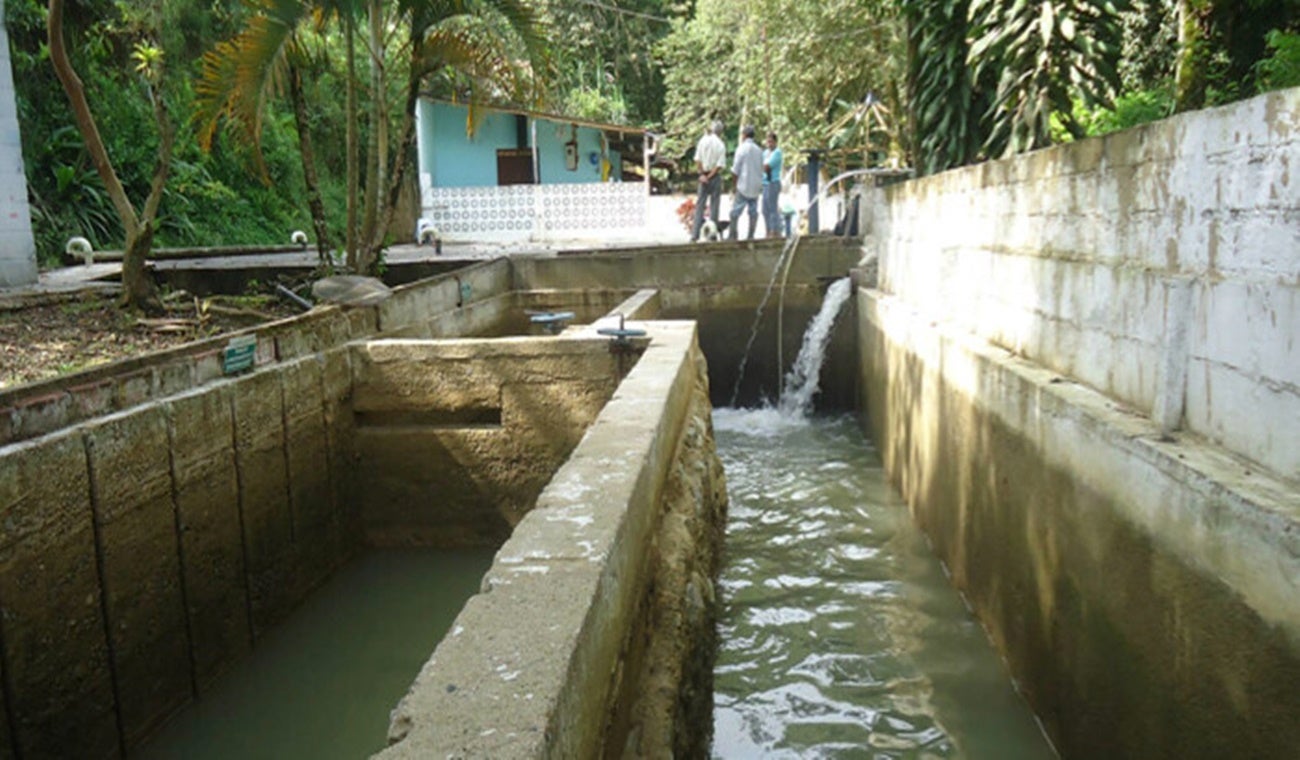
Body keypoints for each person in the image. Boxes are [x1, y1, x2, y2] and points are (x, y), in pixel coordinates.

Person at [691, 121, 727, 242]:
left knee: (700, 206)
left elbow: (697, 159)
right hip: (714, 176)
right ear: (720, 132)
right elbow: (719, 165)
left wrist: (702, 174)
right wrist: (710, 176)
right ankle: (712, 235)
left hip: (703, 176)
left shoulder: (703, 141)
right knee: (714, 206)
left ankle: (694, 235)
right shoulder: (721, 144)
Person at [728, 125, 763, 240]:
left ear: (744, 135)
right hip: (756, 186)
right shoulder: (759, 150)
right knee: (753, 212)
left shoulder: (741, 149)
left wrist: (734, 186)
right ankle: (751, 235)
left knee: (735, 212)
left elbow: (735, 170)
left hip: (743, 186)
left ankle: (733, 235)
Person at [762, 131, 784, 238]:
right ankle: (768, 229)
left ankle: (774, 230)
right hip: (765, 183)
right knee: (765, 209)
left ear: (775, 142)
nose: (769, 144)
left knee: (772, 208)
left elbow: (767, 167)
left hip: (773, 182)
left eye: (771, 142)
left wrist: (762, 166)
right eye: (768, 142)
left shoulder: (777, 153)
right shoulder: (765, 153)